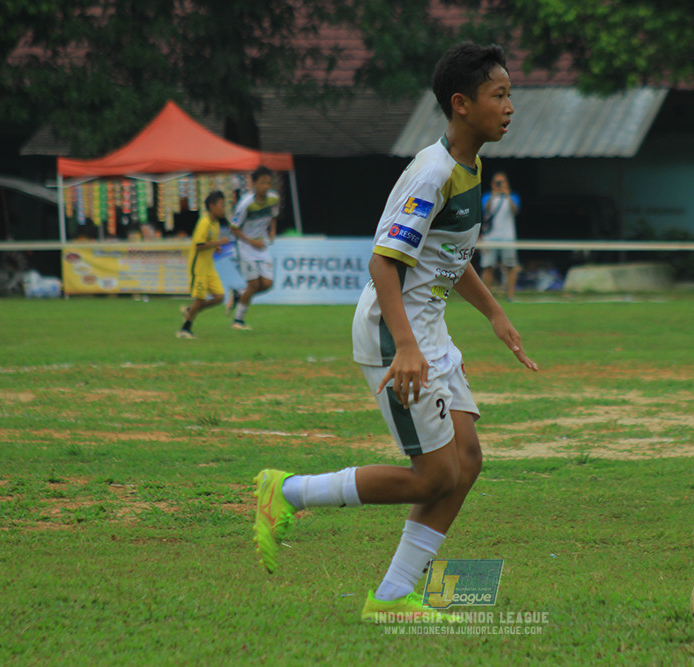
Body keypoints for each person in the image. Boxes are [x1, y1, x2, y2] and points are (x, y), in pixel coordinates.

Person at [251, 42, 537, 622]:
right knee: (435, 476)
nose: (511, 107)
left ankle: (391, 597)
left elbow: (449, 256)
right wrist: (406, 346)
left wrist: (494, 314)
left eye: (511, 94)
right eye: (499, 95)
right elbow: (384, 262)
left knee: (467, 460)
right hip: (394, 331)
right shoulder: (433, 173)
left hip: (427, 330)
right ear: (461, 103)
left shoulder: (468, 165)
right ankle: (287, 491)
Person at [229, 166, 279, 330]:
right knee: (254, 285)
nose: (266, 186)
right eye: (262, 183)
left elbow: (274, 216)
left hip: (261, 245)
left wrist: (272, 231)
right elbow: (234, 228)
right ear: (254, 184)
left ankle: (239, 294)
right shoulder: (245, 204)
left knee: (267, 284)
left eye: (268, 183)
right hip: (245, 246)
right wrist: (251, 241)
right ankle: (238, 321)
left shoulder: (273, 198)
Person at [177, 191, 230, 339]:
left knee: (219, 297)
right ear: (212, 206)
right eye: (221, 205)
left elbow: (208, 242)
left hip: (209, 267)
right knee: (200, 299)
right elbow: (199, 245)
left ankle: (190, 310)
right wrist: (218, 243)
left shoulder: (215, 224)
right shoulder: (204, 222)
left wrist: (215, 247)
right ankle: (185, 329)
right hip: (199, 267)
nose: (223, 209)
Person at [480, 171, 521, 300]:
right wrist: (494, 194)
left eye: (502, 182)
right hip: (490, 237)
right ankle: (487, 297)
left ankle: (511, 296)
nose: (499, 184)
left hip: (508, 237)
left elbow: (515, 210)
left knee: (510, 266)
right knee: (488, 266)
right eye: (497, 182)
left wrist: (506, 194)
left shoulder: (512, 197)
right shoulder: (487, 197)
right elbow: (485, 209)